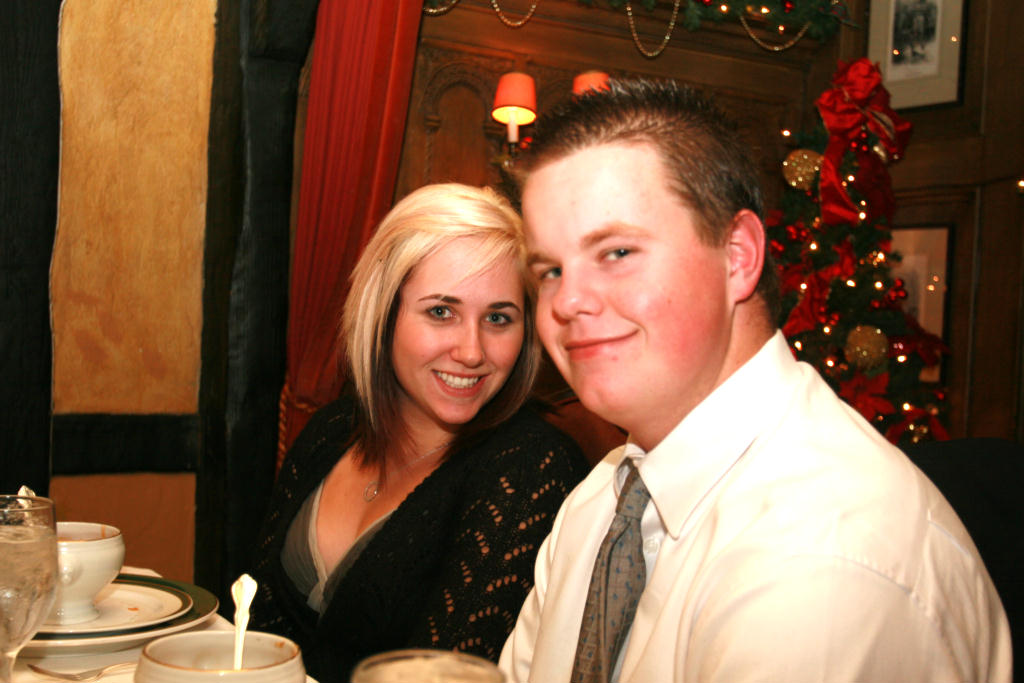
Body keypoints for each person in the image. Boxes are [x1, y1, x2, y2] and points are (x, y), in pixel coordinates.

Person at [499, 79, 1011, 682]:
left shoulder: (821, 563)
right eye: (551, 271)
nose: (568, 301)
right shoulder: (600, 501)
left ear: (738, 255)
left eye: (616, 253)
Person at [249, 183, 589, 683]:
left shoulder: (531, 471)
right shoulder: (331, 431)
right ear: (383, 312)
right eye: (441, 312)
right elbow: (252, 627)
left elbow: (450, 674)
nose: (471, 351)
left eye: (498, 318)